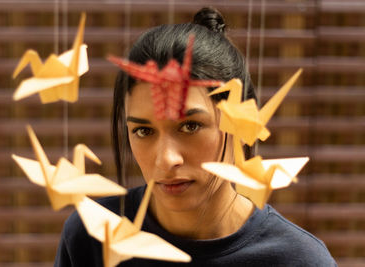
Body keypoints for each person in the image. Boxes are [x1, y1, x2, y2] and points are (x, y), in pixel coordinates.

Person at [54, 7, 336, 266]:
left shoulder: (298, 260)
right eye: (143, 131)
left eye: (190, 126)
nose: (166, 160)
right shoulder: (92, 234)